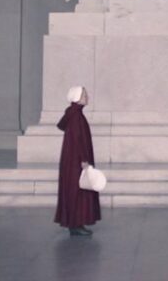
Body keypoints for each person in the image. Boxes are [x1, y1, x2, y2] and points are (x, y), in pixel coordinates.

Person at [54, 86, 101, 237]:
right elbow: (78, 140)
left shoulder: (74, 114)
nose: (87, 97)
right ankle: (76, 224)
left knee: (75, 190)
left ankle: (75, 224)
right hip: (76, 162)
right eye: (84, 95)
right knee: (77, 191)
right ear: (77, 97)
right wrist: (84, 160)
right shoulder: (76, 116)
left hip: (72, 160)